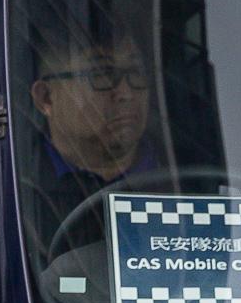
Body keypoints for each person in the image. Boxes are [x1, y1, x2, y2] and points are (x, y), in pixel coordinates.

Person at [19, 17, 161, 271]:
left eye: (136, 73)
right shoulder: (16, 190)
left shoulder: (190, 184)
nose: (127, 94)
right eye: (102, 75)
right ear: (46, 98)